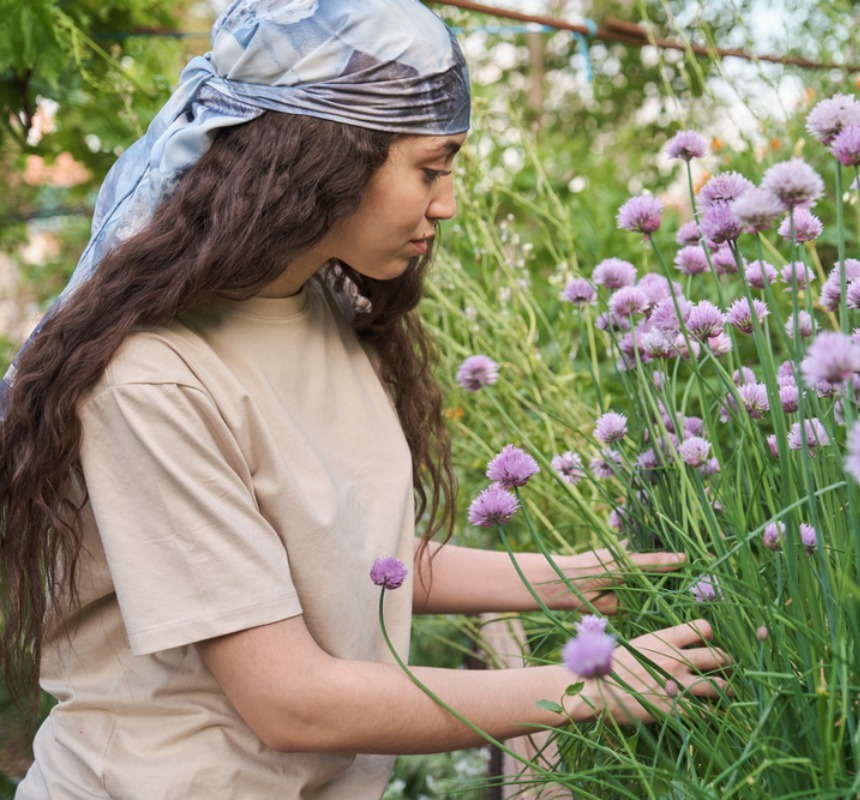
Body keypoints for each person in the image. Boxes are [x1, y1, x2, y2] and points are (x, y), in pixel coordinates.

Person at [0, 1, 729, 796]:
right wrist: (591, 687)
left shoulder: (320, 306)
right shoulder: (151, 382)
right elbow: (292, 703)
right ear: (328, 156)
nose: (446, 203)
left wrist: (575, 574)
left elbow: (348, 558)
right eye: (431, 167)